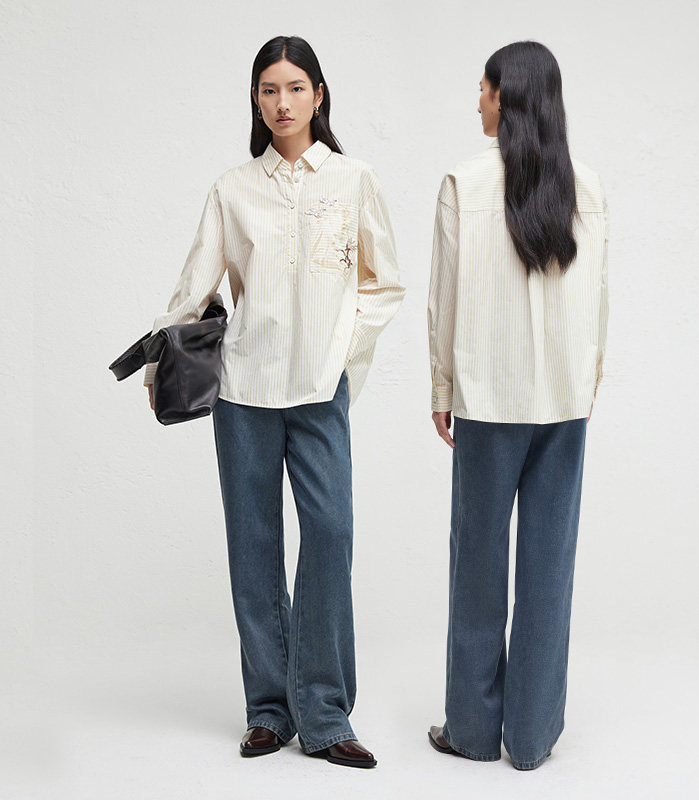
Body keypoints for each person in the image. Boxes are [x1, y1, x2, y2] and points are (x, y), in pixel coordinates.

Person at [143, 35, 405, 769]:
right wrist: (159, 359)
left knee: (330, 535)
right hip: (245, 389)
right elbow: (195, 284)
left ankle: (324, 712)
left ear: (319, 95)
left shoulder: (354, 180)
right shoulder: (232, 188)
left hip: (321, 390)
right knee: (253, 545)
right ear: (256, 102)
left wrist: (341, 352)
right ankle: (268, 709)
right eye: (268, 90)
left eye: (295, 88)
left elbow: (384, 284)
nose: (282, 103)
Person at [426, 40, 609, 770]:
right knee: (548, 565)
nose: (477, 99)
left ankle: (471, 732)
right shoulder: (586, 186)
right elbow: (598, 298)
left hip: (487, 397)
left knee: (476, 562)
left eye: (484, 87)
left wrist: (441, 389)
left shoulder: (463, 184)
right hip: (562, 400)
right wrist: (588, 380)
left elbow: (444, 300)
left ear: (507, 97)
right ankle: (531, 738)